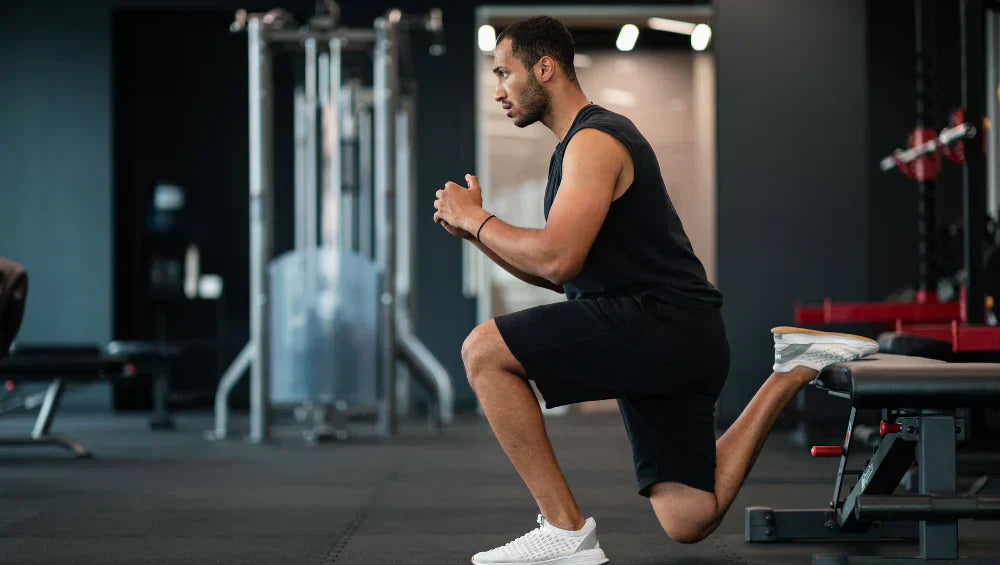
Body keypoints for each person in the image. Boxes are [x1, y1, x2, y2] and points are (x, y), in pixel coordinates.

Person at [431, 16, 878, 565]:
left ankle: (565, 531)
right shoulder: (576, 146)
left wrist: (479, 220)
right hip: (676, 332)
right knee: (688, 517)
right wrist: (474, 231)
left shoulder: (594, 141)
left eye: (504, 73)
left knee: (483, 350)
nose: (498, 90)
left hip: (658, 322)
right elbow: (560, 273)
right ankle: (791, 372)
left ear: (544, 68)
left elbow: (556, 256)